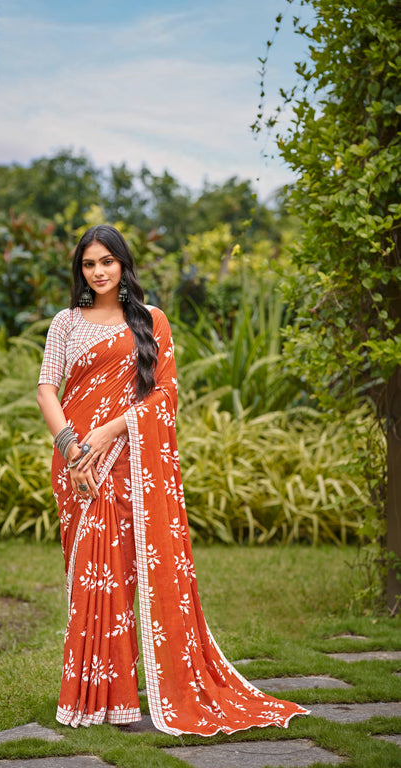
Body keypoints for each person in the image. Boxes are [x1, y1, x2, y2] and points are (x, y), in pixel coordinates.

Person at [37, 224, 309, 734]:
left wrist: (110, 431)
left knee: (117, 574)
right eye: (89, 264)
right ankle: (91, 697)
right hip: (76, 461)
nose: (98, 272)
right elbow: (46, 391)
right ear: (81, 270)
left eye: (107, 262)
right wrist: (75, 449)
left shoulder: (151, 321)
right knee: (90, 578)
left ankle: (115, 700)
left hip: (124, 459)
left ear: (123, 264)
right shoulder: (65, 323)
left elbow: (165, 397)